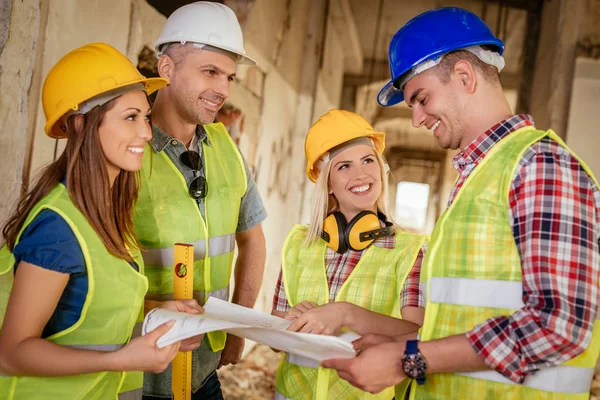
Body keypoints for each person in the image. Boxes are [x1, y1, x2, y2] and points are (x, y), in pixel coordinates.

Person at [322, 7, 600, 400]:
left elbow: (558, 326)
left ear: (465, 76)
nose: (417, 119)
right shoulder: (479, 177)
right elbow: (460, 320)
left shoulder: (540, 165)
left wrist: (409, 359)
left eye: (421, 99)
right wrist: (397, 345)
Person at [0, 42, 202, 400]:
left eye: (146, 117)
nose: (146, 132)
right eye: (130, 117)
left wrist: (158, 313)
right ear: (82, 123)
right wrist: (123, 358)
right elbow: (12, 353)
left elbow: (87, 302)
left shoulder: (108, 211)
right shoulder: (58, 228)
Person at [133, 2, 267, 399]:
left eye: (229, 76)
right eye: (210, 72)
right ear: (167, 68)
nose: (223, 90)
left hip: (204, 373)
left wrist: (237, 330)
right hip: (137, 377)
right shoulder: (128, 149)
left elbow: (253, 241)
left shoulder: (226, 147)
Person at [271, 109, 427, 400]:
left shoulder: (409, 250)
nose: (361, 174)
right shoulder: (298, 244)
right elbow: (275, 341)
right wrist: (290, 323)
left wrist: (347, 314)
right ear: (327, 183)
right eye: (344, 166)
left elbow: (418, 334)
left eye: (368, 160)